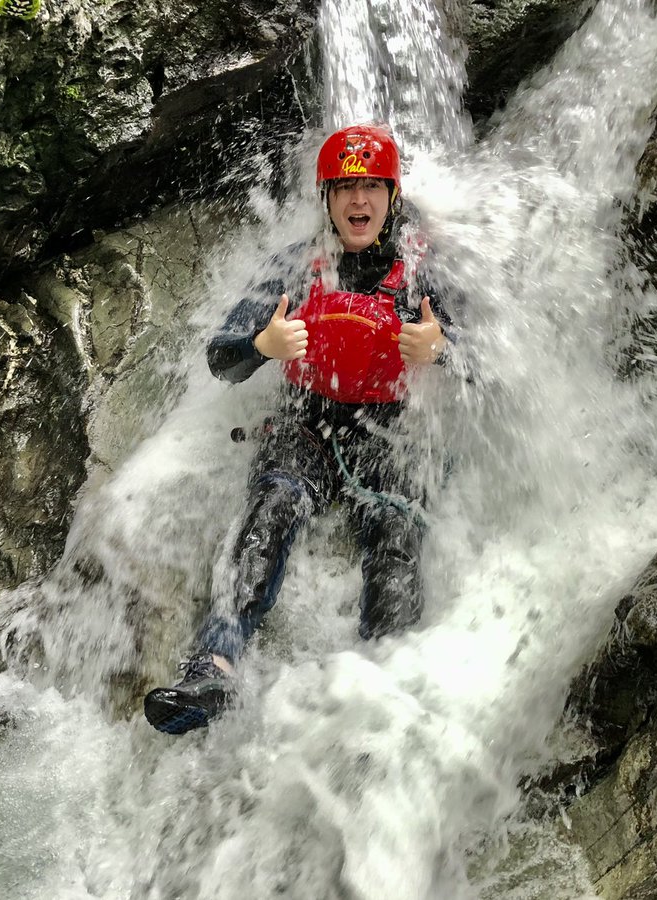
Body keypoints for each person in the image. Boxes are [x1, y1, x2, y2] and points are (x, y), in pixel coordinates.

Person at [143, 124, 453, 735]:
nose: (357, 202)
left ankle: (385, 690)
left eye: (370, 187)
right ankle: (215, 663)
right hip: (304, 425)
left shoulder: (421, 273)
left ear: (391, 196)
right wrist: (263, 343)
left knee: (393, 536)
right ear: (326, 197)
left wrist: (441, 346)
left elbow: (493, 364)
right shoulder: (295, 266)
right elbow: (222, 357)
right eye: (344, 189)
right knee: (271, 511)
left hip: (388, 430)